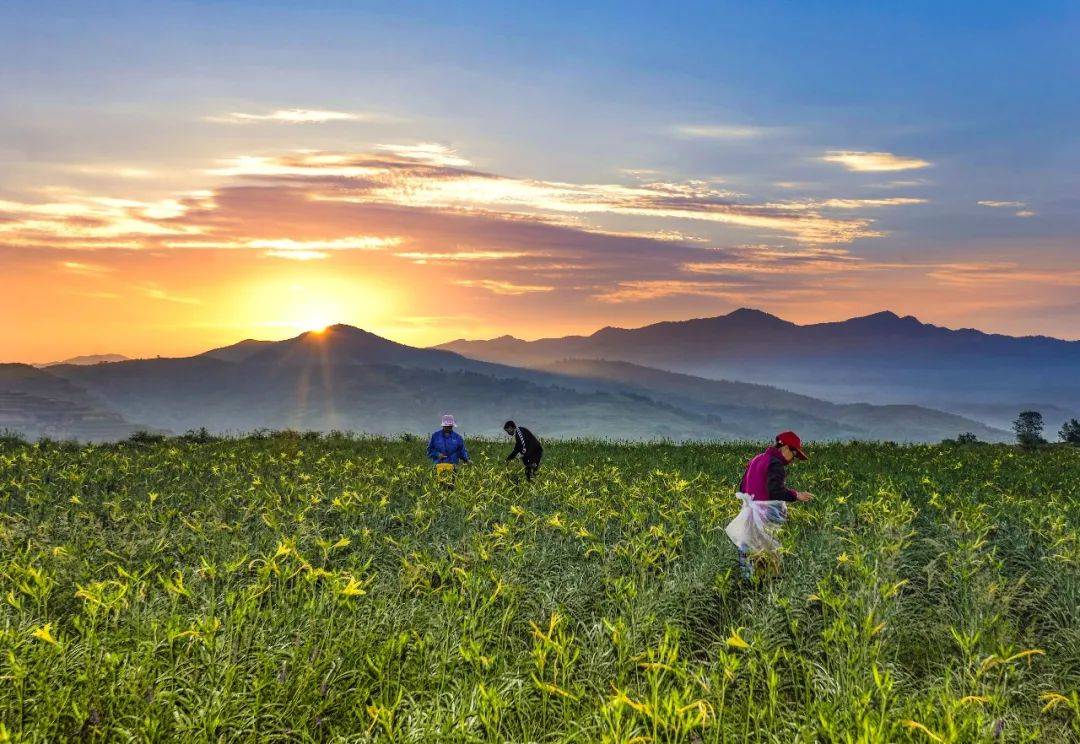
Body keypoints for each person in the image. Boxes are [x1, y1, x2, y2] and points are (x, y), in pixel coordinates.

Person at [729, 431, 813, 580]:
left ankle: (746, 585)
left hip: (748, 513)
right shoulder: (776, 464)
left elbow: (742, 487)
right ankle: (765, 587)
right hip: (763, 516)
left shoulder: (756, 459)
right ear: (786, 448)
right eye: (794, 454)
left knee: (747, 549)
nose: (793, 460)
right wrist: (796, 495)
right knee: (767, 552)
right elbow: (775, 492)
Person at [428, 415, 469, 486]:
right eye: (446, 426)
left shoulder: (457, 437)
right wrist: (437, 454)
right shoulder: (435, 436)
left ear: (452, 426)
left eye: (450, 426)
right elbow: (430, 451)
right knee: (439, 487)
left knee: (451, 487)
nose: (448, 428)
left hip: (453, 467)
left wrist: (467, 459)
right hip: (439, 466)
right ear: (443, 426)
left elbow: (461, 451)